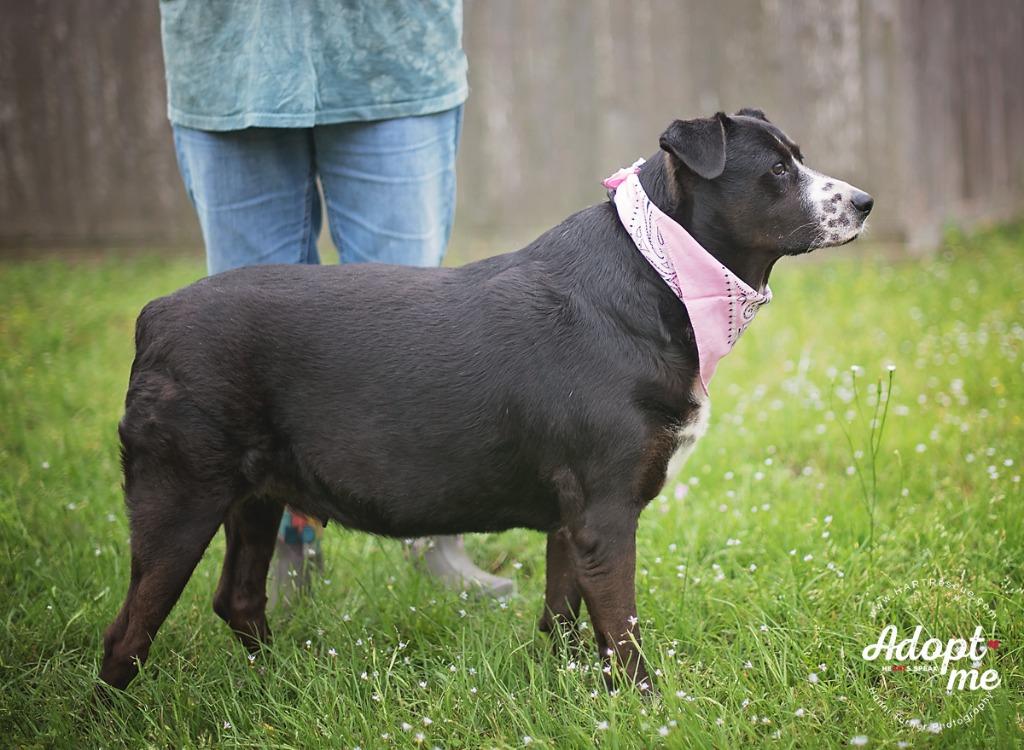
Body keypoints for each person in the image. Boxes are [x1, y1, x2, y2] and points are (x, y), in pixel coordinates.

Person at [158, 0, 514, 602]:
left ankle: (434, 537)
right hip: (230, 59)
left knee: (417, 334)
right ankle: (286, 547)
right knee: (252, 346)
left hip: (390, 52)